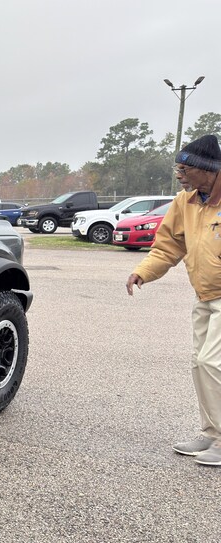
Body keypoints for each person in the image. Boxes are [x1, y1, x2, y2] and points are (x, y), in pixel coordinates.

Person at [126, 134, 221, 466]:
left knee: (213, 362)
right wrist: (144, 271)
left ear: (205, 169)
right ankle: (212, 434)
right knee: (200, 365)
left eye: (183, 168)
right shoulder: (186, 201)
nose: (179, 175)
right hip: (205, 295)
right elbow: (169, 246)